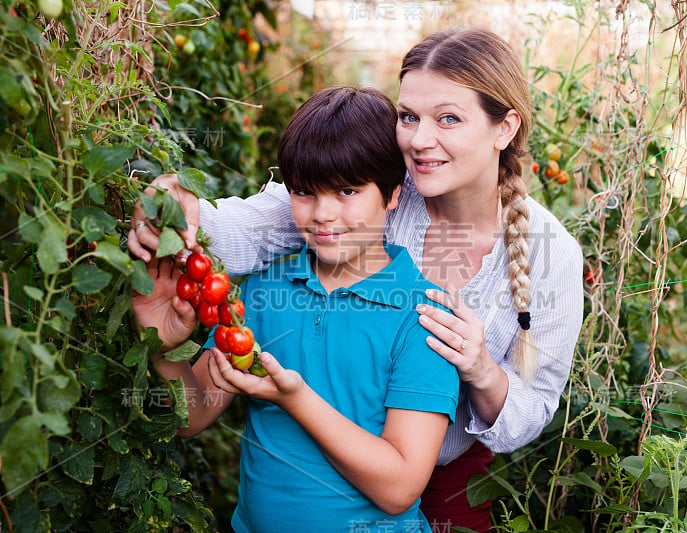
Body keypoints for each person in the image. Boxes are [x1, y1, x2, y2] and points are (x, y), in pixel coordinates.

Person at [129, 27, 584, 532]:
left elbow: (534, 404)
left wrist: (480, 370)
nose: (419, 139)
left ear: (505, 128)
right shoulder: (372, 178)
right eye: (408, 117)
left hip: (443, 471)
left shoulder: (548, 256)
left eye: (448, 118)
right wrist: (173, 210)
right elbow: (253, 226)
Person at [132, 86, 460, 532]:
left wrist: (296, 400)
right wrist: (161, 344)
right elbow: (195, 412)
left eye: (347, 190)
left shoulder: (423, 318)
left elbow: (399, 487)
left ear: (393, 194)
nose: (323, 213)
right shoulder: (266, 288)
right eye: (305, 191)